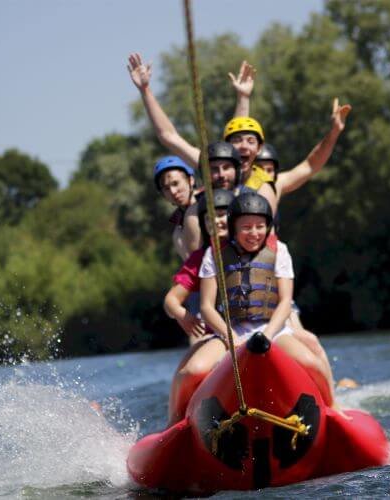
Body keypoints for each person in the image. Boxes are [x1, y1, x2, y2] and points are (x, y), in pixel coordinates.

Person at [199, 192, 341, 411]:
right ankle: (177, 422)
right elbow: (206, 307)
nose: (254, 233)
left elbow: (285, 302)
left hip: (272, 330)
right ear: (234, 228)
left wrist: (266, 336)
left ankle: (334, 409)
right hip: (230, 332)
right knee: (191, 371)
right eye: (246, 227)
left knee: (313, 364)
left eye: (260, 226)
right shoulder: (214, 254)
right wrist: (232, 338)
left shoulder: (280, 251)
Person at [127, 53, 277, 214]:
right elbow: (168, 136)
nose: (243, 147)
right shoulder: (210, 161)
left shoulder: (265, 185)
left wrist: (243, 97)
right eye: (237, 142)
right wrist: (145, 90)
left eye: (250, 142)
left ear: (260, 148)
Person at [165, 189, 235, 424]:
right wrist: (183, 316)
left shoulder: (254, 247)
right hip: (218, 333)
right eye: (209, 217)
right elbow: (171, 301)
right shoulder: (200, 259)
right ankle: (174, 425)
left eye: (224, 214)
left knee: (310, 345)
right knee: (188, 373)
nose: (217, 221)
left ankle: (329, 406)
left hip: (259, 327)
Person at [153, 155, 198, 260]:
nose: (173, 192)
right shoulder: (179, 233)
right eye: (166, 188)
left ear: (191, 180)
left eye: (175, 183)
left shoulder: (213, 201)